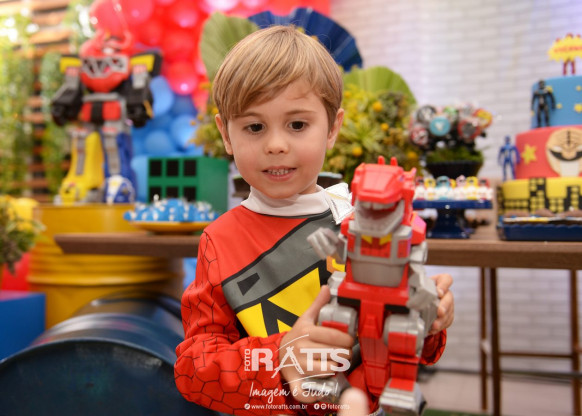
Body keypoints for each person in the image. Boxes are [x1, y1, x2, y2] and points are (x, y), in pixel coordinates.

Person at [174, 25, 454, 415]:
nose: (276, 145)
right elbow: (194, 369)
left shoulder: (361, 219)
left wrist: (431, 321)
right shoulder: (220, 241)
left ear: (332, 128)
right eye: (254, 127)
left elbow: (407, 345)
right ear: (226, 133)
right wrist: (280, 357)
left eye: (297, 125)